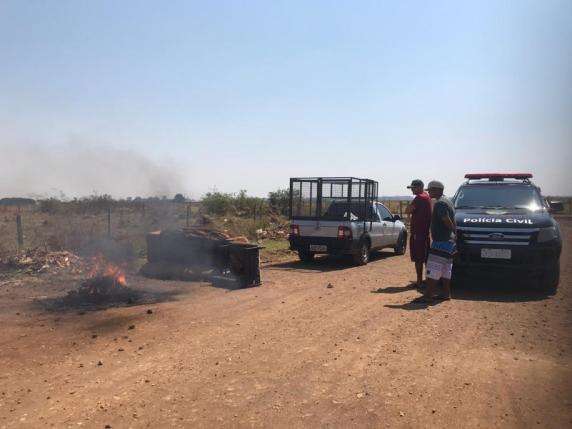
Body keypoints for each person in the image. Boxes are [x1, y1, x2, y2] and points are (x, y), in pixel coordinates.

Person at [420, 180, 456, 302]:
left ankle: (428, 295)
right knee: (446, 269)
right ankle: (446, 294)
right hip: (449, 241)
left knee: (433, 268)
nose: (429, 192)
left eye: (430, 190)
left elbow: (446, 219)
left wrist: (452, 230)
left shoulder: (440, 203)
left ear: (437, 190)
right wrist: (454, 234)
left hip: (441, 240)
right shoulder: (448, 201)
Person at [405, 179, 432, 286]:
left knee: (419, 259)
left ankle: (420, 281)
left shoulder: (419, 198)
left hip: (418, 233)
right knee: (425, 258)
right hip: (424, 232)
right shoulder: (426, 196)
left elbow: (408, 210)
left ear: (420, 187)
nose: (412, 190)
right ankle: (428, 280)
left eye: (413, 188)